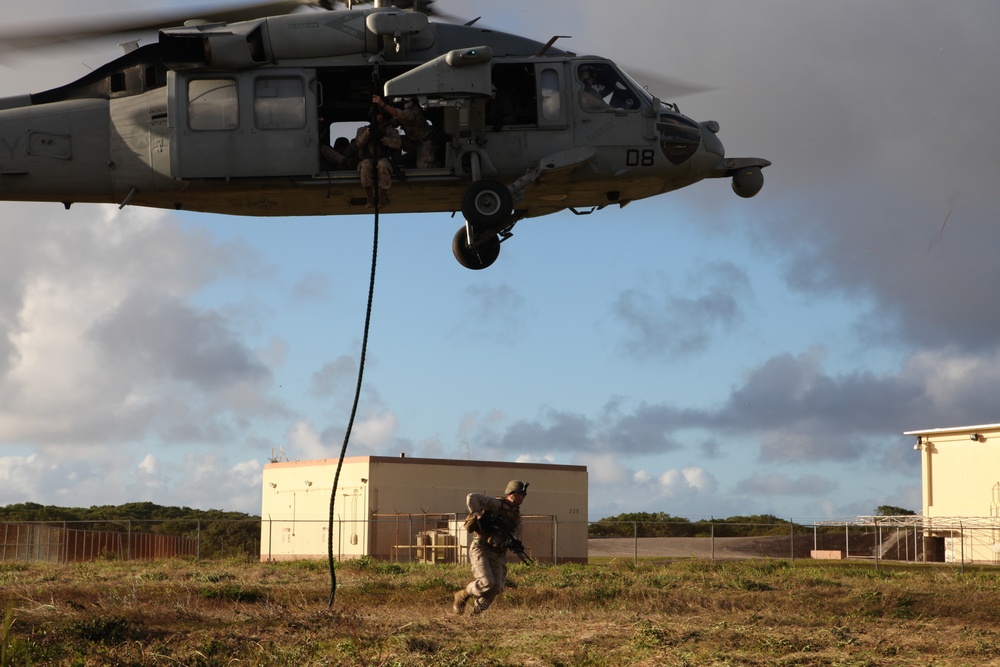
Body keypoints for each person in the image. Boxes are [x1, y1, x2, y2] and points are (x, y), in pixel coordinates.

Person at [453, 479, 528, 616]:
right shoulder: (496, 504)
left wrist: (512, 542)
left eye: (523, 495)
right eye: (520, 494)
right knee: (487, 582)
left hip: (498, 553)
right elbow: (472, 497)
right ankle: (463, 594)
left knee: (497, 587)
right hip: (481, 548)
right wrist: (480, 516)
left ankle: (475, 614)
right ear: (512, 494)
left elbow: (516, 531)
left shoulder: (516, 515)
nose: (522, 498)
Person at [355, 102, 402, 207]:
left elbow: (397, 144)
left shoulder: (390, 130)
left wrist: (383, 139)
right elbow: (359, 143)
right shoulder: (363, 130)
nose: (380, 117)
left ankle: (383, 196)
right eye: (378, 115)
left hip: (384, 158)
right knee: (364, 166)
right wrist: (369, 132)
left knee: (382, 166)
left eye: (382, 115)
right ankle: (369, 196)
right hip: (369, 158)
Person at [373, 94, 439, 168]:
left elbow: (399, 114)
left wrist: (383, 105)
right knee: (395, 141)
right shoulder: (408, 111)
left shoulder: (413, 113)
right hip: (412, 140)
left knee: (423, 166)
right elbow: (395, 122)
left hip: (425, 142)